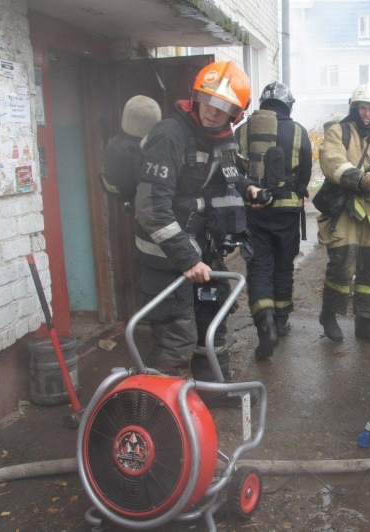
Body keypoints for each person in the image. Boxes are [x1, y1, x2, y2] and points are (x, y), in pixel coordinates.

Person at [134, 60, 267, 407]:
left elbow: (229, 172)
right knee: (177, 336)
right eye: (208, 101)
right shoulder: (169, 135)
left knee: (213, 320)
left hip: (201, 250)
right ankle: (163, 411)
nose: (213, 111)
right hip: (167, 257)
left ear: (235, 114)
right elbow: (151, 208)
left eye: (224, 107)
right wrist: (186, 258)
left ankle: (211, 393)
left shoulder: (221, 138)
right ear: (195, 97)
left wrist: (249, 188)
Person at [316, 83, 370, 344]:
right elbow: (332, 161)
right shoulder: (339, 131)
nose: (367, 113)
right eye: (362, 108)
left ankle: (365, 323)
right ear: (354, 109)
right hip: (344, 211)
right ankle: (328, 316)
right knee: (342, 266)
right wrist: (362, 179)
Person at [234, 82, 313, 359]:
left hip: (254, 211)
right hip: (288, 212)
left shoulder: (242, 129)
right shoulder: (299, 131)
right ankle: (281, 322)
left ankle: (264, 323)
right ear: (287, 105)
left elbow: (231, 171)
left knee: (259, 267)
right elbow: (305, 172)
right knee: (283, 267)